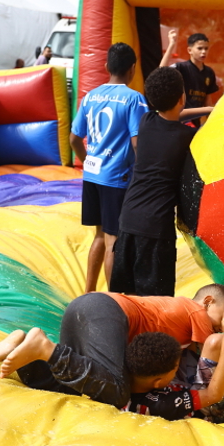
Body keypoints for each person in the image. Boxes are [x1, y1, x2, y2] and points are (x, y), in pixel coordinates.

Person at [0, 284, 224, 409]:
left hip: (88, 310)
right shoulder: (195, 311)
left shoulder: (180, 324)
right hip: (105, 312)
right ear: (208, 301)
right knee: (116, 391)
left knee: (70, 385)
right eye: (219, 317)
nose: (218, 325)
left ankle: (25, 352)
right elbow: (213, 349)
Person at [110, 67, 197, 296]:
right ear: (182, 98)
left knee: (124, 298)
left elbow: (172, 118)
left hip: (128, 220)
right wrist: (212, 112)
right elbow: (178, 124)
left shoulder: (146, 122)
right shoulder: (187, 137)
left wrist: (206, 109)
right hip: (156, 228)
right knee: (156, 304)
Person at [69, 43, 148, 293]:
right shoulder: (134, 99)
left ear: (106, 67)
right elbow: (137, 143)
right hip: (117, 178)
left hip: (93, 175)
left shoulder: (90, 96)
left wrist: (88, 161)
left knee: (100, 235)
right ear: (132, 69)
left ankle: (89, 292)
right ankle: (113, 298)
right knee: (114, 239)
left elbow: (74, 139)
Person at [121, 302, 224, 422]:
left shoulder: (126, 378)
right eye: (175, 368)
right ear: (158, 382)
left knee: (190, 336)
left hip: (173, 392)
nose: (177, 368)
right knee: (216, 343)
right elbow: (213, 395)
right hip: (207, 408)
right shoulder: (162, 404)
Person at [159, 30, 218, 123]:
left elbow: (207, 101)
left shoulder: (209, 72)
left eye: (206, 48)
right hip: (180, 121)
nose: (203, 52)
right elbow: (161, 72)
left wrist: (211, 122)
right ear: (189, 50)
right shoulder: (181, 67)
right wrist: (171, 45)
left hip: (196, 122)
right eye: (200, 48)